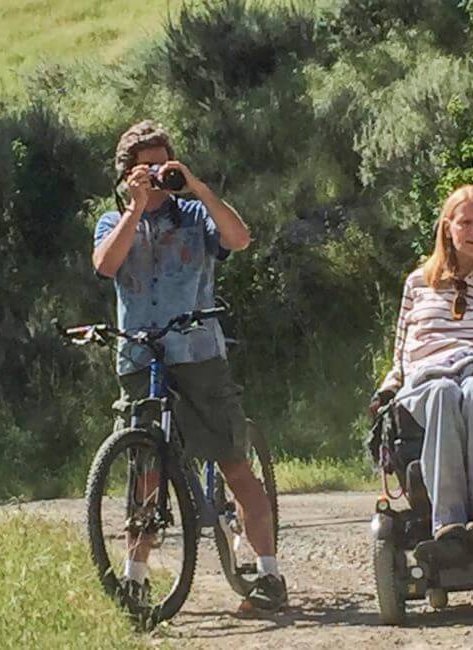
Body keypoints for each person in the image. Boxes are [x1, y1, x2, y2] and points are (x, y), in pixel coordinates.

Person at [93, 120, 288, 612]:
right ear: (125, 174)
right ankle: (135, 578)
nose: (155, 176)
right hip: (140, 356)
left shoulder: (196, 215)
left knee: (233, 461)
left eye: (161, 166)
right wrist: (135, 208)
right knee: (144, 473)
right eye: (144, 169)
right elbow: (106, 265)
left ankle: (268, 574)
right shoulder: (111, 221)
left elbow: (239, 238)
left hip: (198, 352)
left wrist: (196, 185)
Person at [370, 185, 473, 541]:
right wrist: (389, 388)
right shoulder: (418, 284)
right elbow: (402, 350)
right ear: (448, 227)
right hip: (430, 381)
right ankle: (448, 523)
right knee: (444, 392)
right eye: (466, 223)